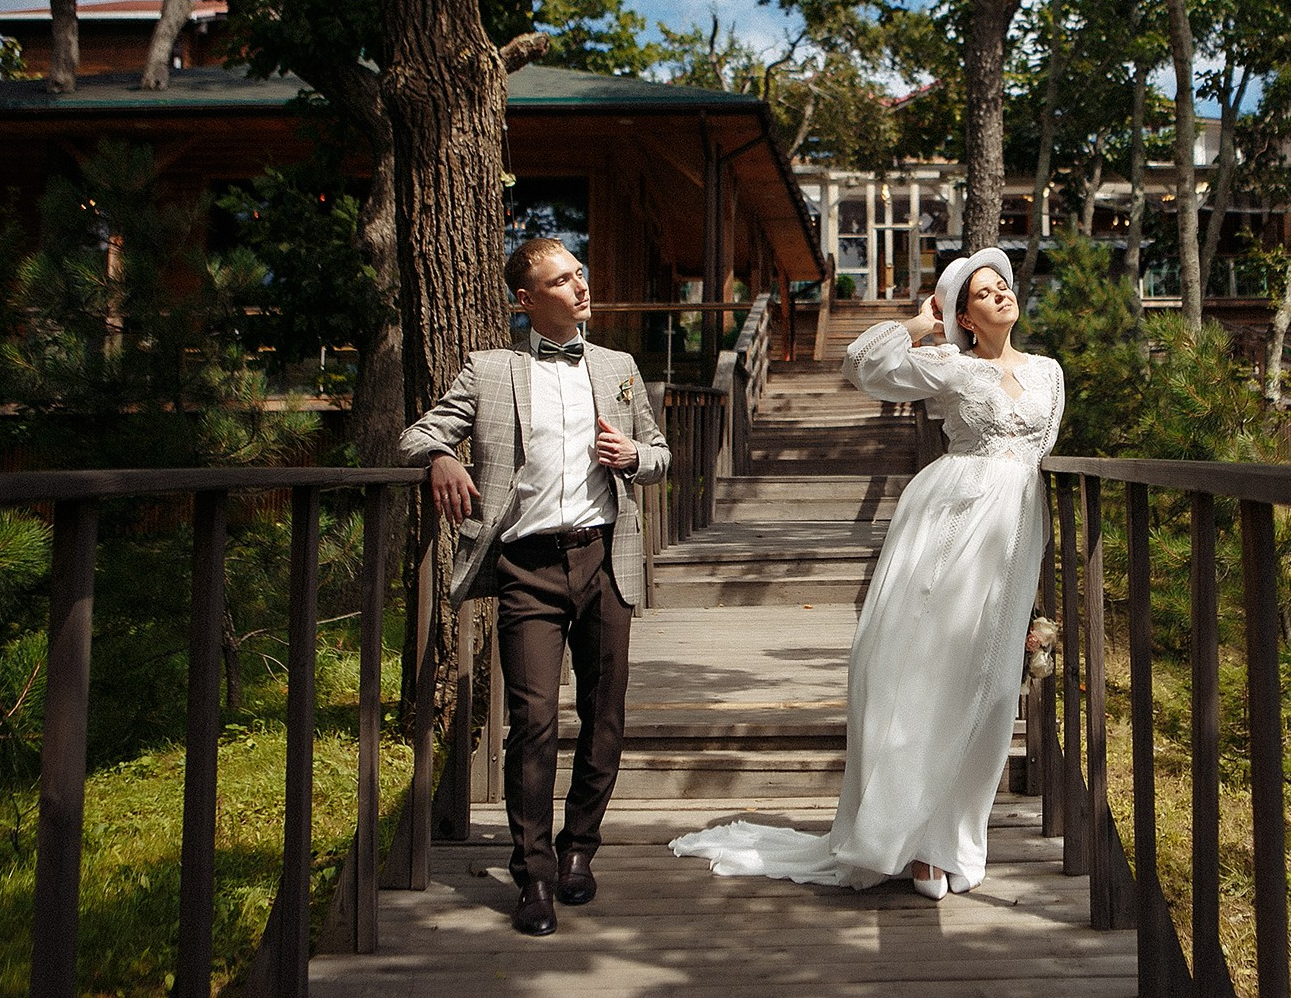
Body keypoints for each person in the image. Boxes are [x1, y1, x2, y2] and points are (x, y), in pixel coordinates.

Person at [672, 247, 1064, 901]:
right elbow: (863, 363)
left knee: (994, 687)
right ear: (964, 313)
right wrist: (922, 321)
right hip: (949, 522)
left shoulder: (1048, 370)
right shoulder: (950, 364)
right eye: (983, 292)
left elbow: (1039, 451)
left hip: (1017, 525)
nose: (1001, 295)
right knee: (930, 671)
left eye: (1004, 286)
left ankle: (951, 834)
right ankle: (915, 846)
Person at [399, 237, 668, 936]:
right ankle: (535, 875)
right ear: (527, 299)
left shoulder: (618, 367)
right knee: (535, 722)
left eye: (580, 272)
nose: (580, 286)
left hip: (606, 558)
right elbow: (418, 431)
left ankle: (581, 848)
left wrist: (637, 455)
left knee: (605, 716)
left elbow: (661, 451)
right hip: (527, 566)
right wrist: (438, 456)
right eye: (560, 280)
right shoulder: (490, 370)